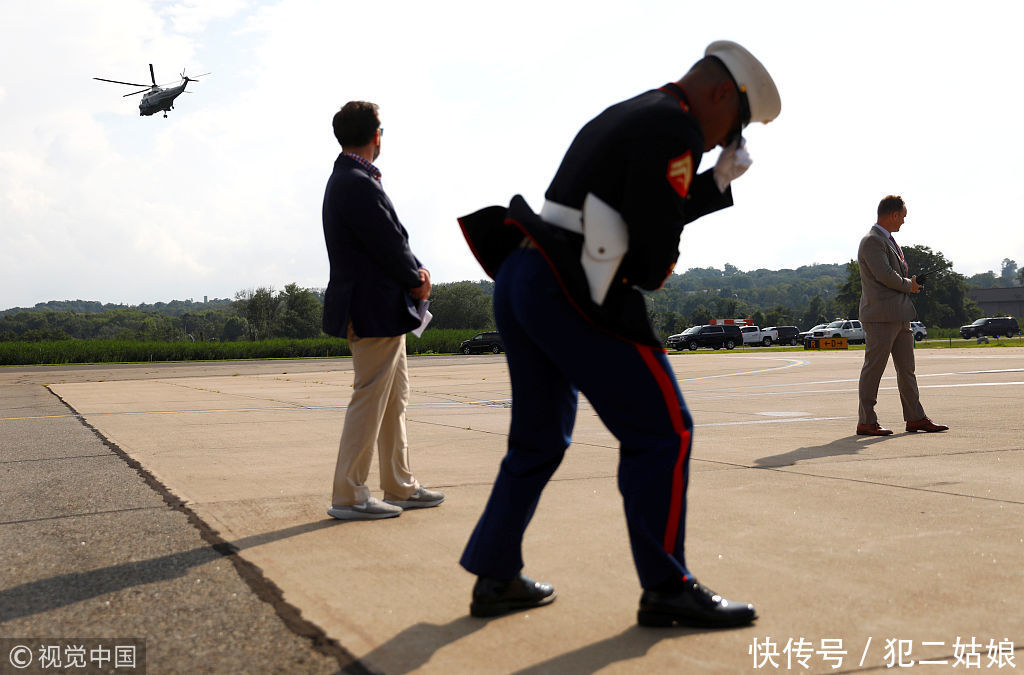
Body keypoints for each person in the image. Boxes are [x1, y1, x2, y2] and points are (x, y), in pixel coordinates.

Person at [457, 41, 780, 627]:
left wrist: (712, 185)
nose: (725, 141)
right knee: (664, 431)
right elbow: (652, 252)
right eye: (735, 125)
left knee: (537, 440)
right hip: (573, 283)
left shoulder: (639, 111)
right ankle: (666, 586)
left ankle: (496, 574)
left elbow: (642, 203)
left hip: (528, 271)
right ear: (718, 94)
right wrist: (665, 252)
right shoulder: (675, 128)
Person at [321, 101, 444, 520]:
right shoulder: (357, 181)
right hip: (373, 308)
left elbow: (384, 240)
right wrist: (416, 278)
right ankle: (349, 495)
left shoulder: (350, 178)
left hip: (381, 309)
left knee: (394, 399)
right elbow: (387, 242)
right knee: (371, 398)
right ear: (377, 136)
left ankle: (400, 485)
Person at [855, 195, 949, 436]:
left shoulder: (886, 240)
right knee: (874, 368)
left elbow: (892, 275)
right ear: (893, 214)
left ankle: (916, 418)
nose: (903, 222)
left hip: (899, 314)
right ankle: (866, 421)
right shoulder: (872, 241)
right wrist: (910, 285)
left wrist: (910, 284)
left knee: (907, 369)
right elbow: (885, 275)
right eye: (903, 217)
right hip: (881, 316)